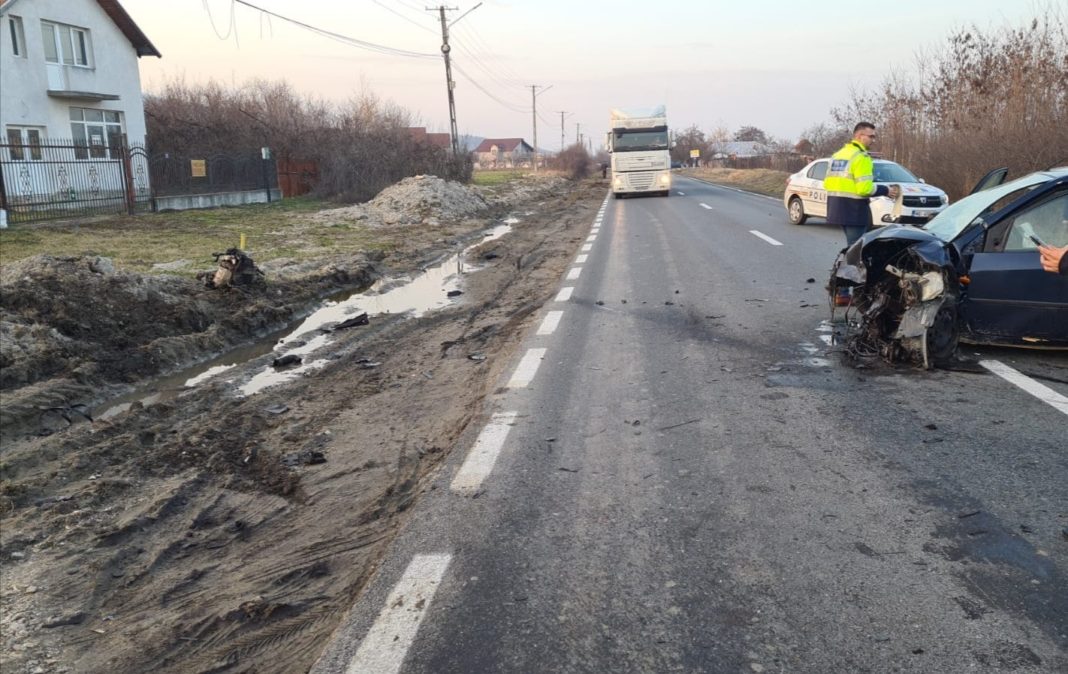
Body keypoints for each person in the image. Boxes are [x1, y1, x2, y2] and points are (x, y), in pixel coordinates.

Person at [824, 122, 901, 305]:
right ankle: (844, 292)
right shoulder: (861, 157)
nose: (873, 139)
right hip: (854, 208)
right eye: (871, 136)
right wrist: (885, 190)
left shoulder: (838, 155)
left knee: (852, 250)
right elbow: (864, 188)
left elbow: (827, 182)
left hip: (836, 207)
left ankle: (849, 290)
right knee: (856, 253)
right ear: (859, 136)